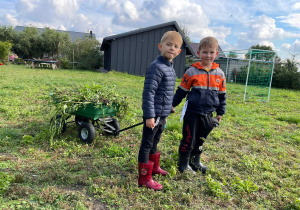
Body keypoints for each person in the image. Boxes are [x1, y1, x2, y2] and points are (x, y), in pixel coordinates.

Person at [172, 36, 226, 174]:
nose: (208, 55)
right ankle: (183, 163)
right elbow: (181, 92)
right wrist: (172, 105)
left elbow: (222, 96)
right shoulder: (191, 72)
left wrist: (220, 112)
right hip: (192, 113)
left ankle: (195, 161)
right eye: (205, 52)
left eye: (211, 52)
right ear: (198, 53)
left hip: (208, 114)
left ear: (216, 54)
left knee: (201, 139)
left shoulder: (220, 74)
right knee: (189, 139)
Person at [138, 31, 183, 191]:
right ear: (160, 46)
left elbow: (165, 92)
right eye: (168, 44)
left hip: (161, 114)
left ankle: (154, 167)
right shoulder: (156, 67)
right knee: (147, 144)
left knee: (155, 142)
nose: (172, 48)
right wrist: (149, 115)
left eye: (175, 46)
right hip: (153, 115)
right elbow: (149, 92)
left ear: (178, 52)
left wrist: (169, 107)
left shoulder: (169, 68)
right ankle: (144, 178)